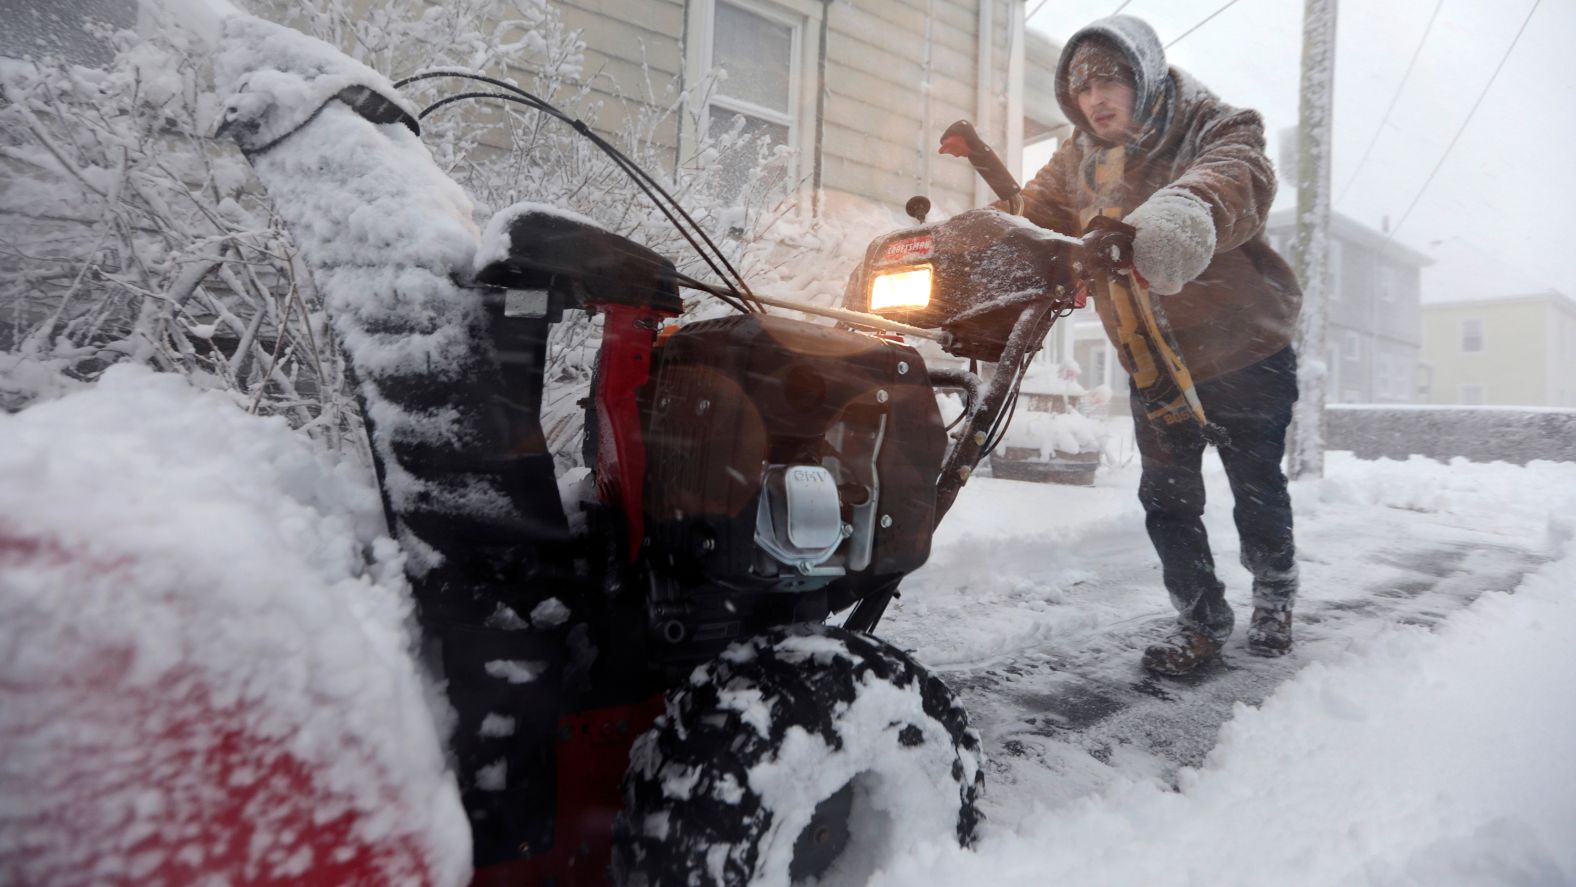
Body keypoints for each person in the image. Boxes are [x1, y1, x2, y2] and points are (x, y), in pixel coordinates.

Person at [1012, 16, 1303, 675]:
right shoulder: (1078, 157)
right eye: (1081, 86)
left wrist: (1176, 215)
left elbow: (1236, 175)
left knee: (1255, 482)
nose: (1095, 98)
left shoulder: (1208, 121)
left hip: (1243, 348)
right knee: (1168, 497)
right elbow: (1031, 220)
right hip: (1152, 354)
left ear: (1141, 75)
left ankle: (1276, 595)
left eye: (1109, 79)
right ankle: (1201, 620)